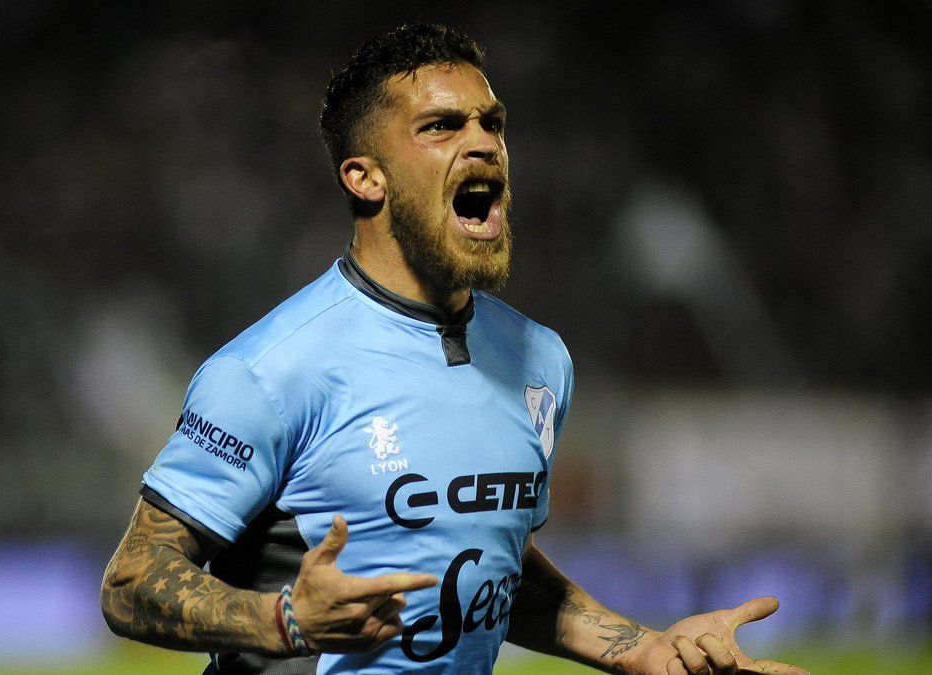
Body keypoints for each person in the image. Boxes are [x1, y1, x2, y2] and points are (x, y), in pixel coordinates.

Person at [101, 24, 807, 675]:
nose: (484, 143)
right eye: (441, 126)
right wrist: (283, 619)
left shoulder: (539, 360)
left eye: (491, 123)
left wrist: (640, 648)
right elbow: (132, 580)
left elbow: (492, 567)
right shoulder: (269, 370)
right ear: (365, 176)